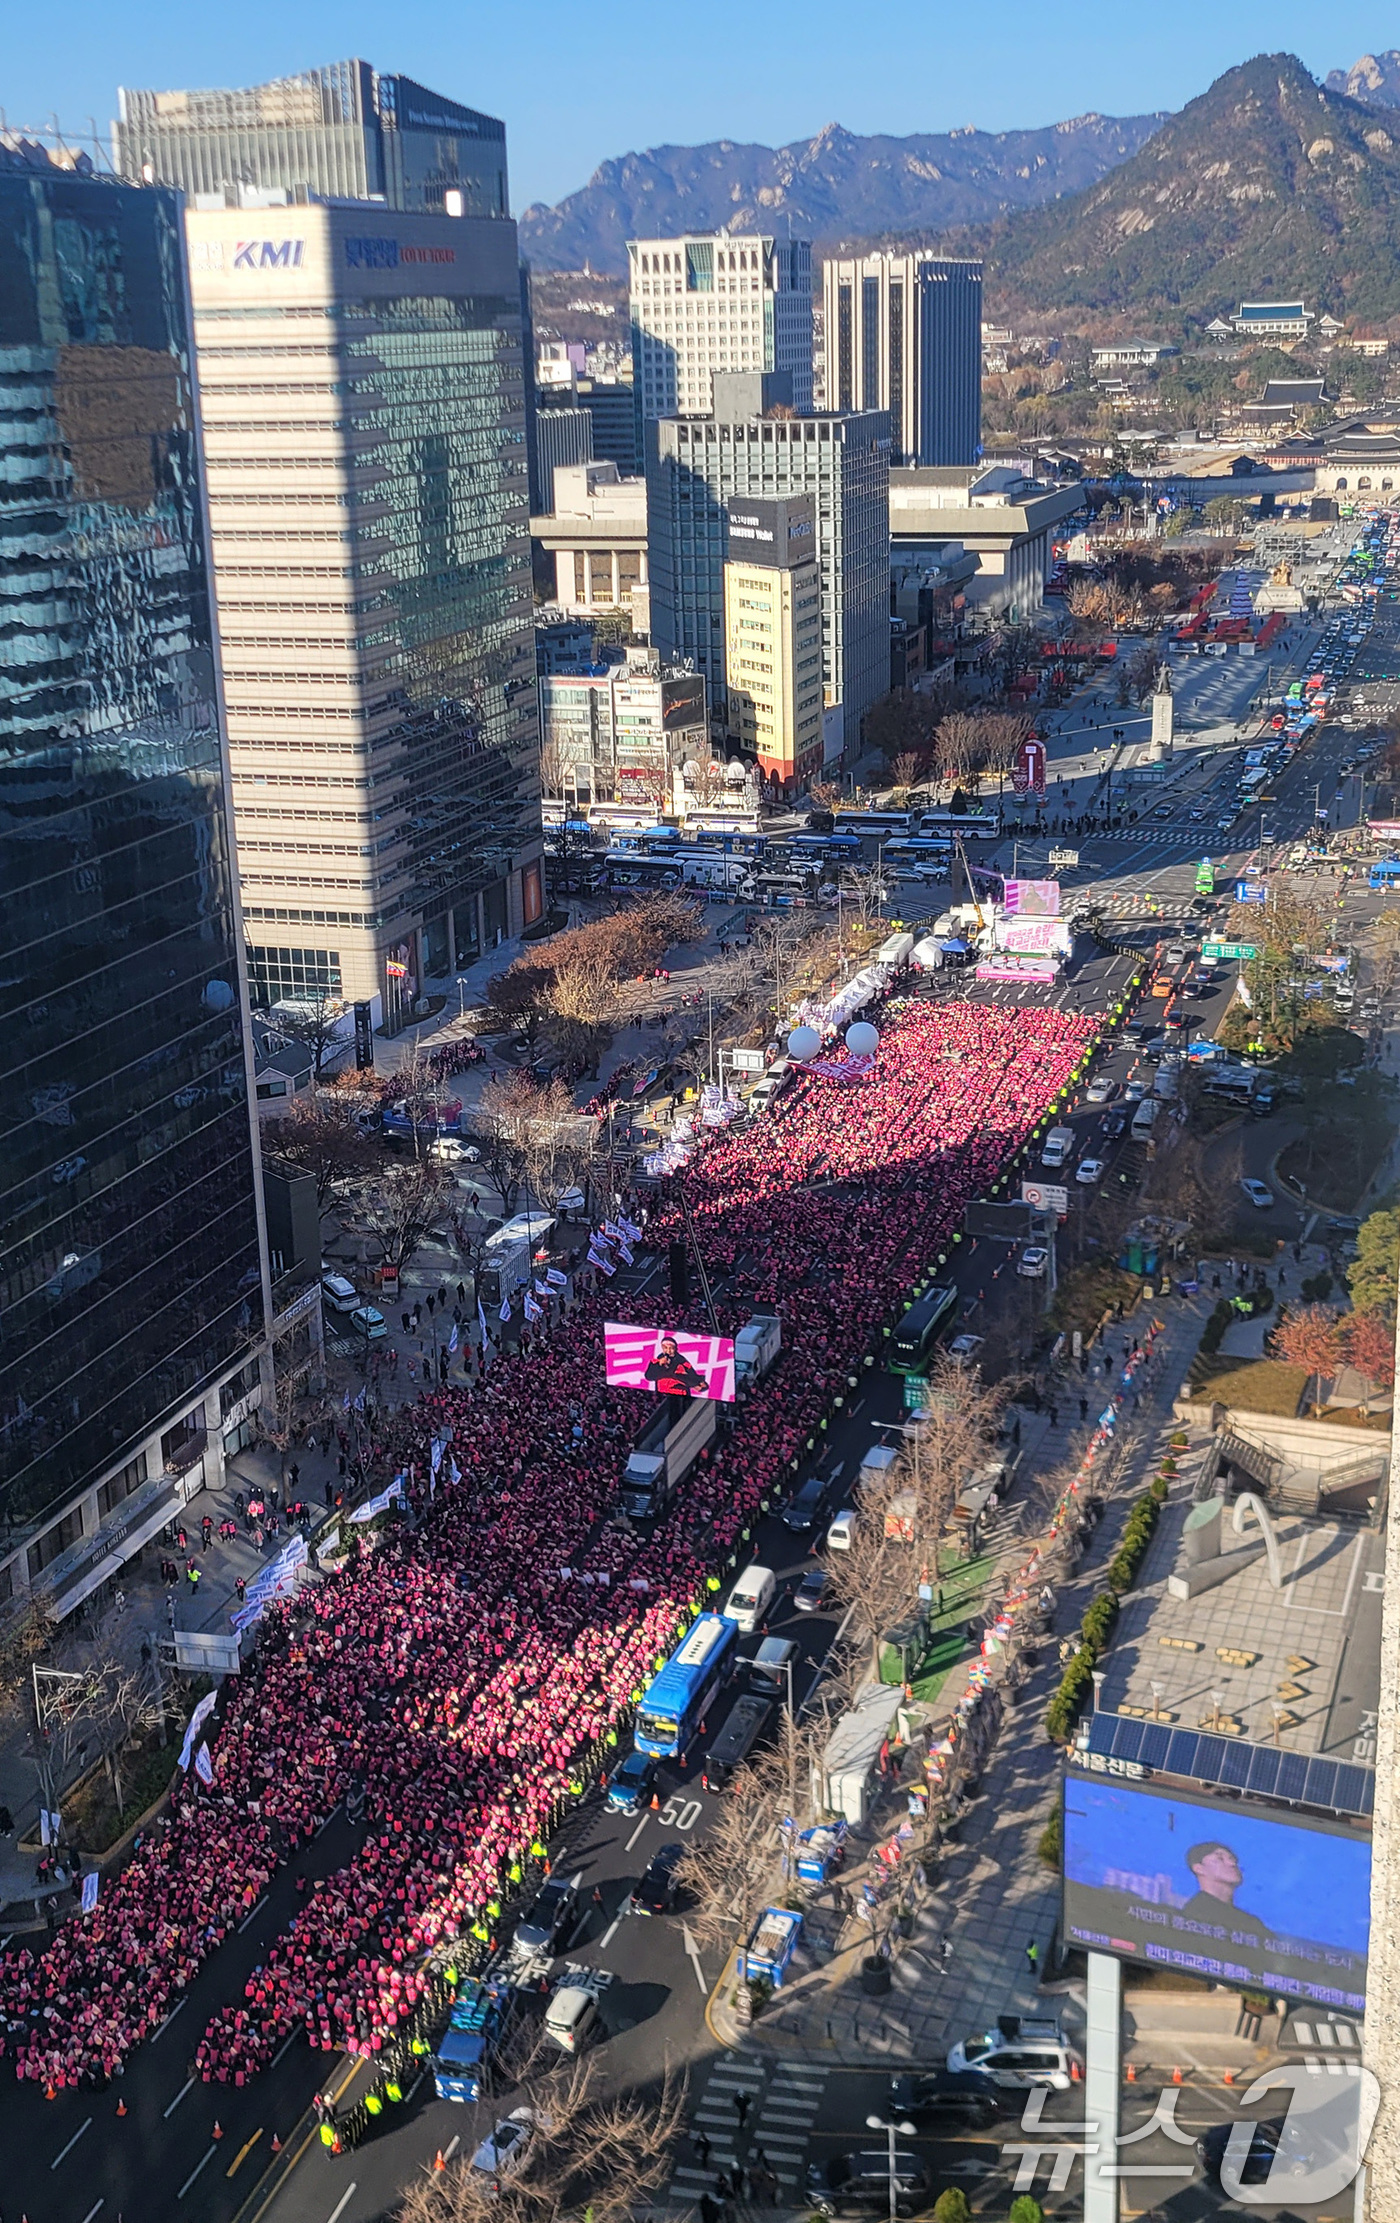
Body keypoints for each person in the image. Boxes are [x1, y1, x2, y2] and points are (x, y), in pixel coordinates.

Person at [643, 1332, 707, 1398]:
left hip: (680, 1393)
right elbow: (649, 1376)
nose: (668, 1350)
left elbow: (693, 1378)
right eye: (665, 1348)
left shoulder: (682, 1362)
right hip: (663, 1394)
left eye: (671, 1348)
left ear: (675, 1348)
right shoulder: (656, 1361)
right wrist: (659, 1364)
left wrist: (698, 1383)